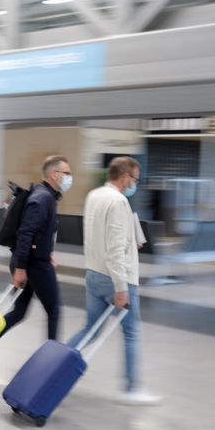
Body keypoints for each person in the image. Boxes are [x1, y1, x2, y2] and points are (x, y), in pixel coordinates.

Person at [66, 157, 161, 405]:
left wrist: (131, 238)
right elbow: (115, 250)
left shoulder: (95, 195)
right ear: (126, 176)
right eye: (135, 179)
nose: (135, 184)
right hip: (116, 278)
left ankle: (58, 366)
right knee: (131, 332)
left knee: (91, 329)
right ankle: (131, 389)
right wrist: (121, 288)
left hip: (93, 273)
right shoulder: (119, 202)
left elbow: (101, 233)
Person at [0, 155, 72, 379]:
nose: (69, 177)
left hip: (33, 261)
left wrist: (47, 254)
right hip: (33, 265)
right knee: (54, 311)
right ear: (54, 174)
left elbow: (40, 233)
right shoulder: (43, 198)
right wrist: (20, 268)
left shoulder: (44, 195)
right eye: (67, 173)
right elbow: (26, 233)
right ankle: (50, 369)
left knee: (18, 312)